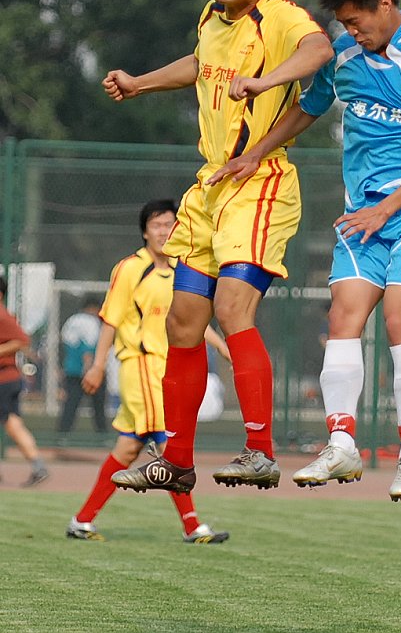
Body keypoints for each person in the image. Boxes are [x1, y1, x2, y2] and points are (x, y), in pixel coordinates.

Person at [207, 0, 401, 501]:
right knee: (343, 316)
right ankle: (341, 444)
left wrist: (385, 210)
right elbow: (309, 108)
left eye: (356, 21)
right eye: (344, 23)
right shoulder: (346, 52)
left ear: (385, 4)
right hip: (362, 211)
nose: (351, 32)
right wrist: (256, 152)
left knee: (400, 320)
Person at [102, 0, 333, 494]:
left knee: (232, 310)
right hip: (210, 186)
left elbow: (319, 49)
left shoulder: (280, 17)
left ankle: (260, 451)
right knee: (183, 322)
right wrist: (139, 83)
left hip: (260, 182)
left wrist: (265, 81)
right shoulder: (211, 17)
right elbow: (200, 65)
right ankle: (175, 462)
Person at [66, 200, 230, 542]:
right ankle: (192, 526)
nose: (163, 231)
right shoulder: (131, 268)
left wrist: (220, 345)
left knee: (128, 448)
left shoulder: (181, 270)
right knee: (170, 445)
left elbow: (190, 322)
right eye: (156, 225)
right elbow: (110, 319)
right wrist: (98, 365)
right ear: (144, 232)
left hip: (166, 369)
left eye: (169, 224)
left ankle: (82, 520)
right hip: (140, 367)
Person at [0, 276, 49, 487]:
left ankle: (38, 467)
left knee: (12, 424)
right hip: (8, 378)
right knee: (14, 424)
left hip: (4, 378)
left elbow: (22, 340)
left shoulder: (2, 315)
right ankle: (38, 467)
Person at [57, 296, 107, 442]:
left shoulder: (71, 321)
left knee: (70, 405)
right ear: (93, 308)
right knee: (98, 406)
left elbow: (66, 343)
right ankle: (102, 437)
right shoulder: (91, 322)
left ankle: (62, 436)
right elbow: (88, 348)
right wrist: (88, 369)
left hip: (72, 369)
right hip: (89, 371)